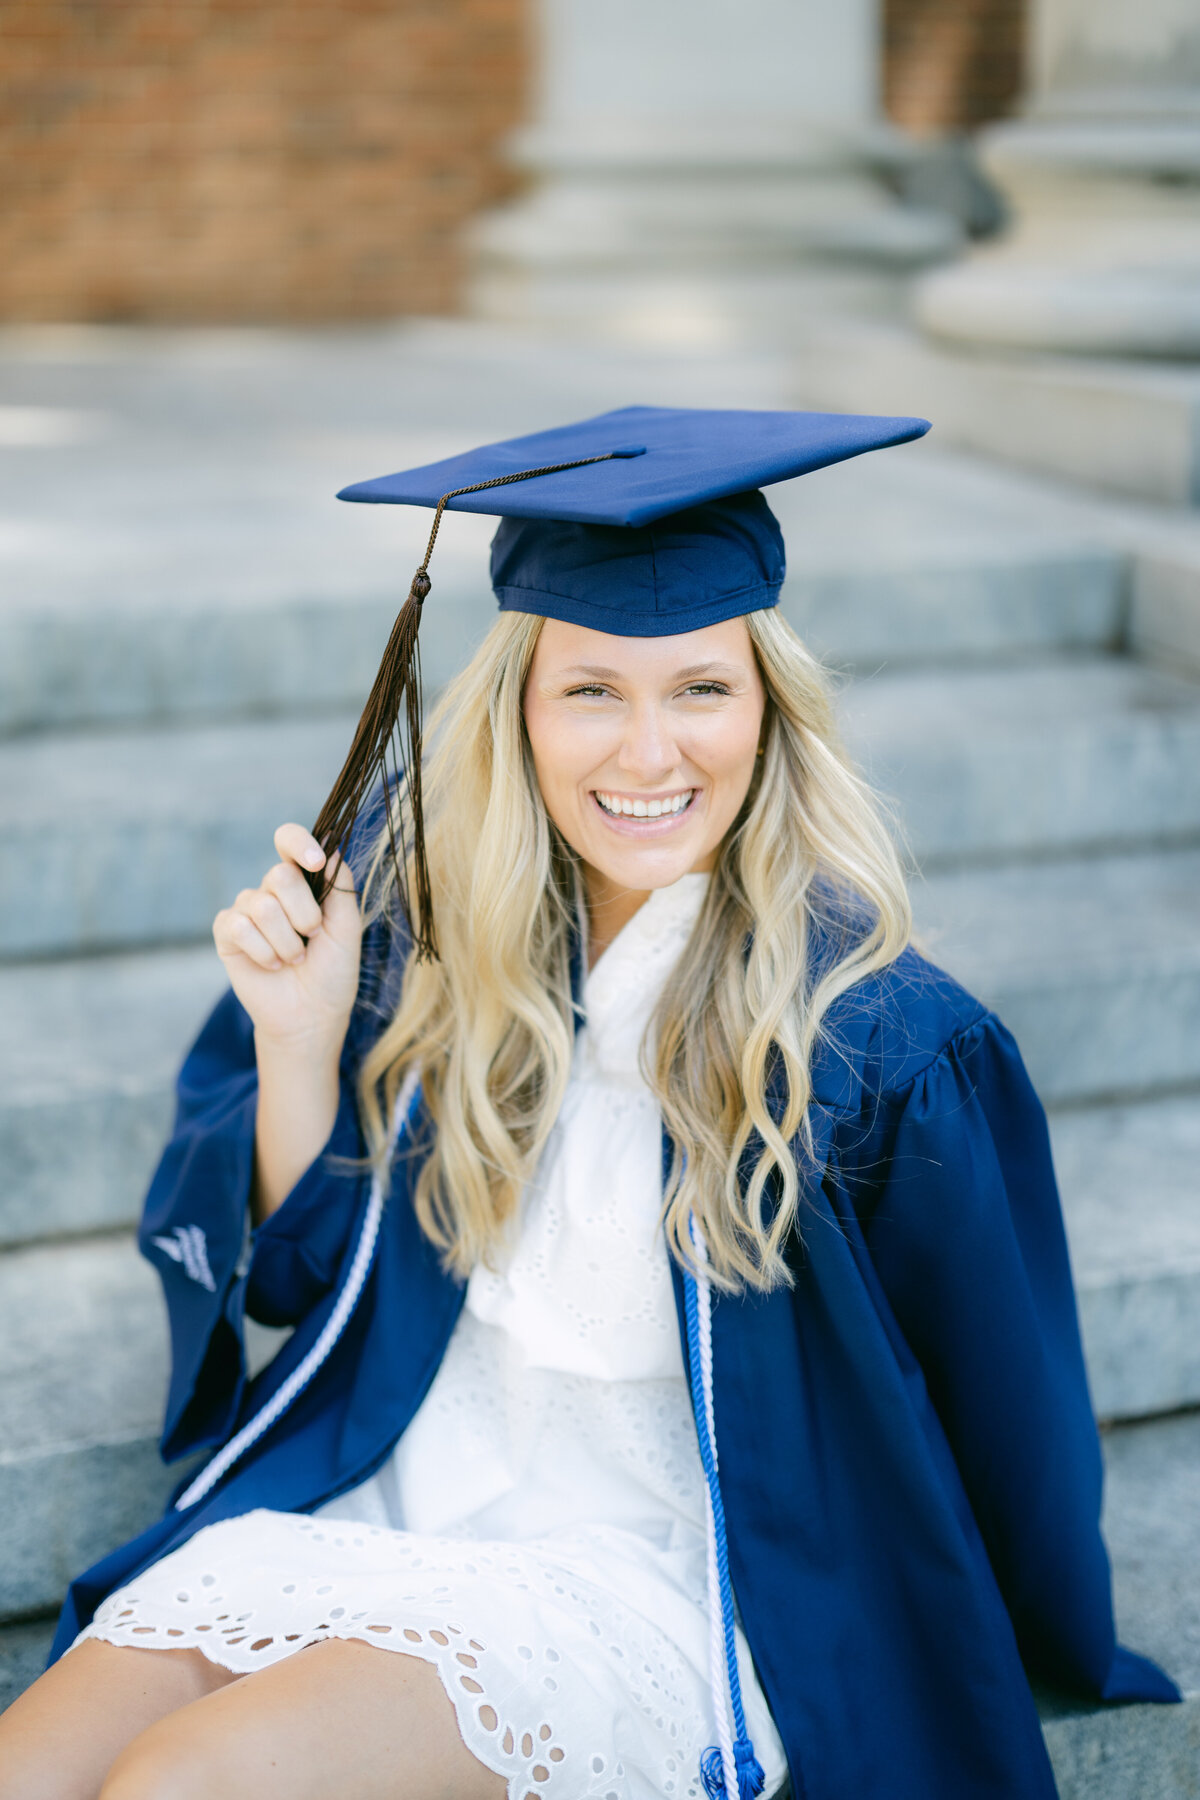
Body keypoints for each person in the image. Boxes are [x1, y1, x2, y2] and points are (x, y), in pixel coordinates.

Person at [0, 407, 1178, 1800]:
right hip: (393, 1491)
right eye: (591, 691)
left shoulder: (877, 1045)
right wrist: (302, 1041)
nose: (647, 753)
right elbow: (298, 1288)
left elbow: (1010, 1398)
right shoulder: (421, 936)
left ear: (771, 709)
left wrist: (1053, 1635)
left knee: (182, 1784)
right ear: (517, 708)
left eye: (700, 689)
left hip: (656, 1566)